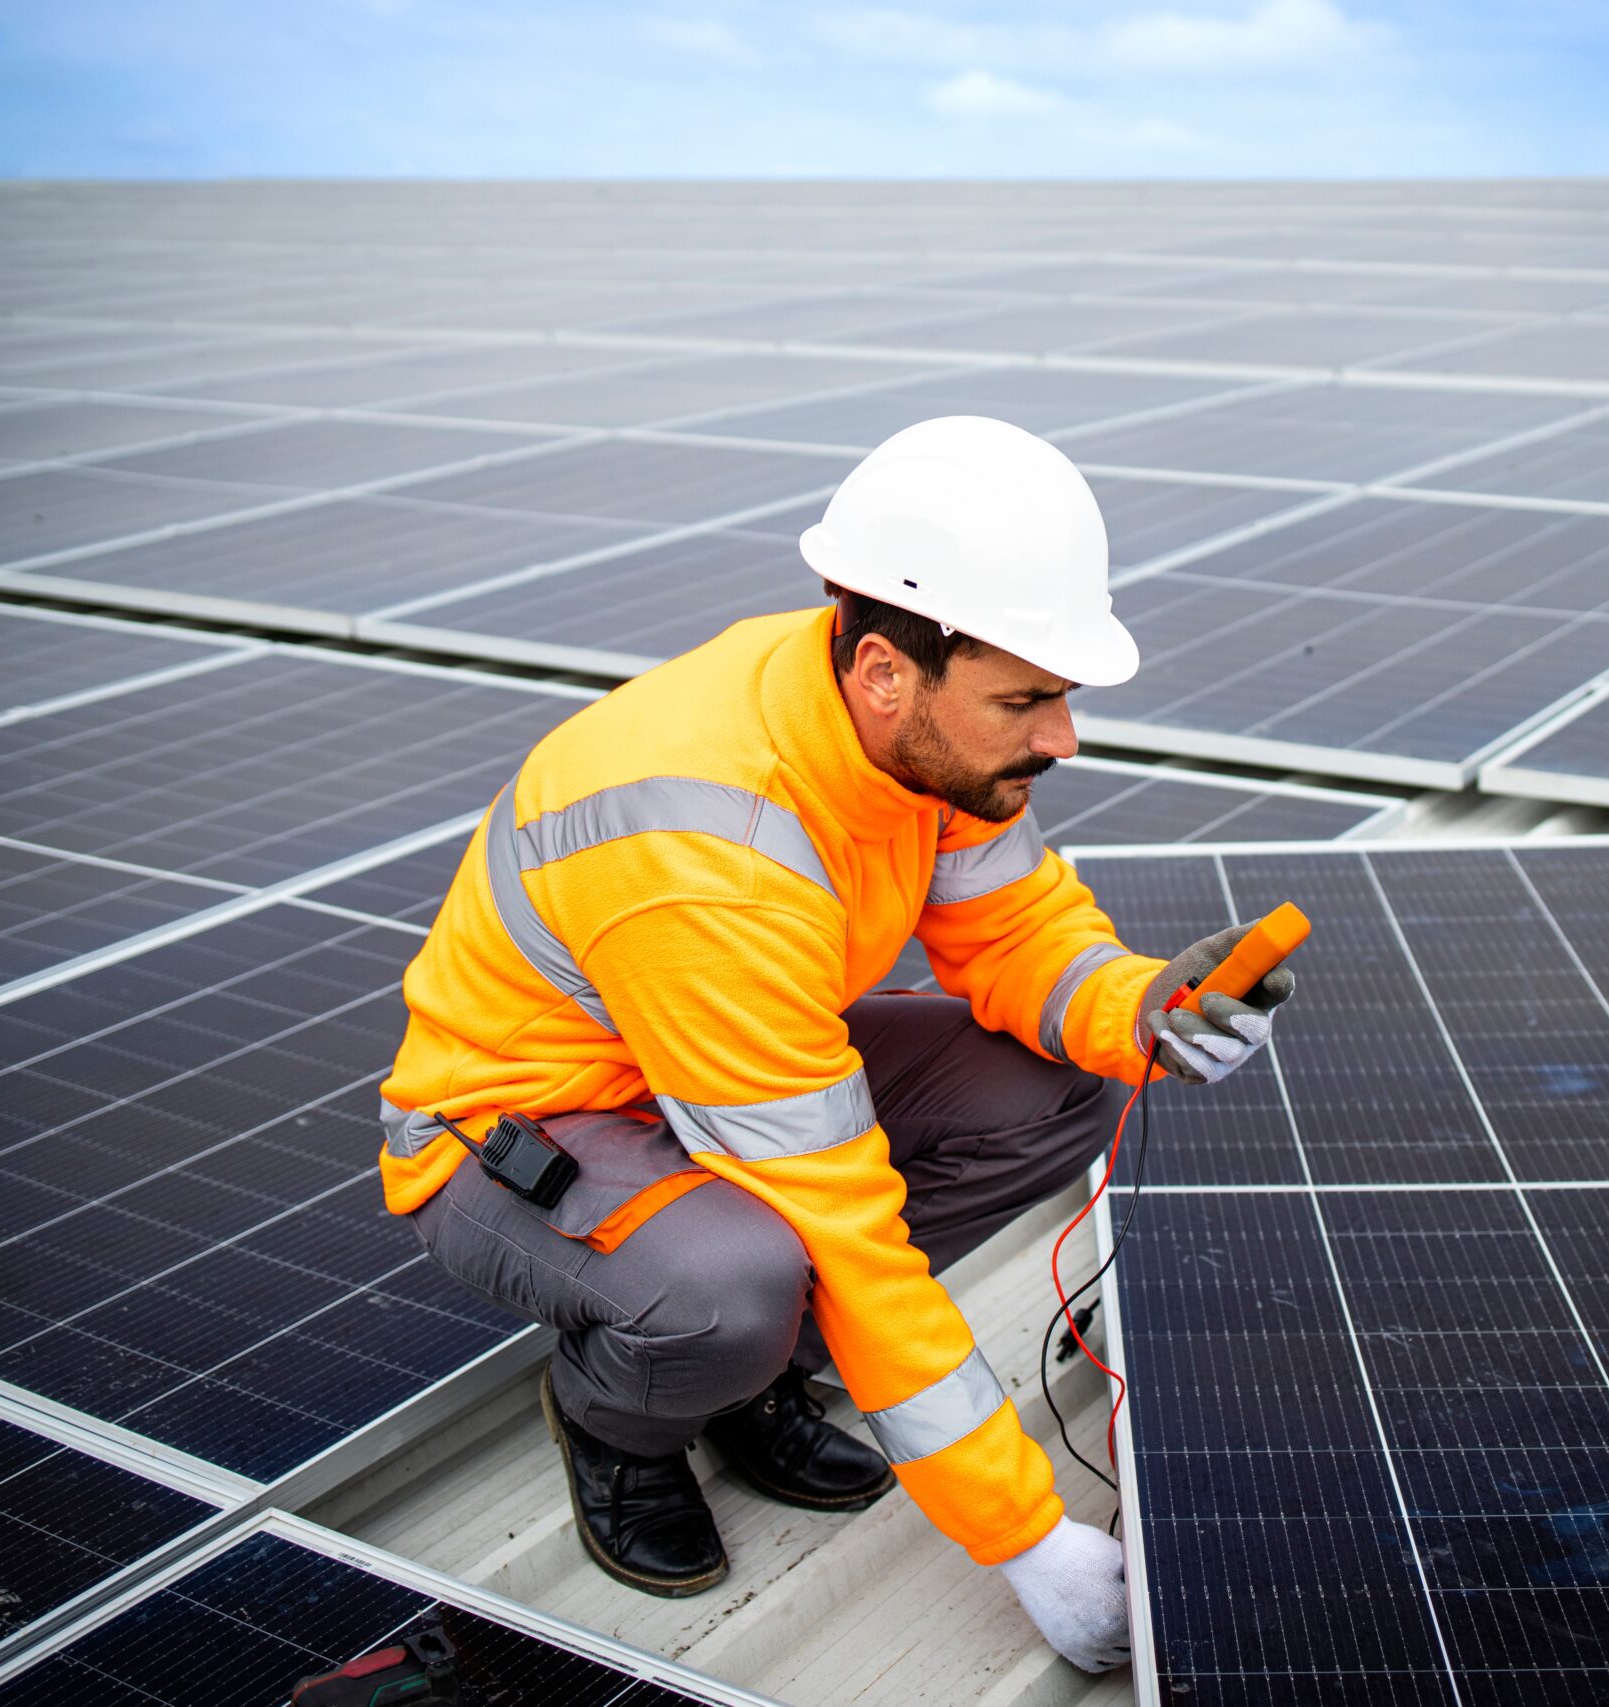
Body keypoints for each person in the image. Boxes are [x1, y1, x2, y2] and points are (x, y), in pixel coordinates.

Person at [375, 416, 1297, 1674]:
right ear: (881, 671)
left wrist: (1142, 1012)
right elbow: (838, 1214)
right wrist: (1024, 1539)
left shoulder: (914, 742)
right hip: (526, 1122)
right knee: (732, 1285)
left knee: (1053, 1090)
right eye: (1024, 701)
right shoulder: (701, 847)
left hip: (722, 1057)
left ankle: (754, 1378)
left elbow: (1016, 928)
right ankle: (619, 1422)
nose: (1062, 739)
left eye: (1060, 696)